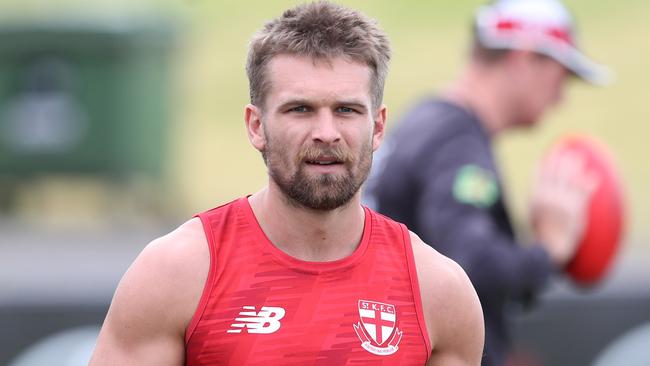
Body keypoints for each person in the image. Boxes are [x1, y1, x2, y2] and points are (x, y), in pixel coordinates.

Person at [90, 2, 484, 365]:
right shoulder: (178, 272)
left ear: (378, 126)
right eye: (300, 109)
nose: (326, 133)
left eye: (346, 110)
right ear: (256, 126)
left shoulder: (436, 290)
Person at [363, 0, 608, 365]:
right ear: (524, 60)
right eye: (561, 76)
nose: (561, 97)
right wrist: (550, 248)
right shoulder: (456, 143)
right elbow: (472, 265)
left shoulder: (428, 120)